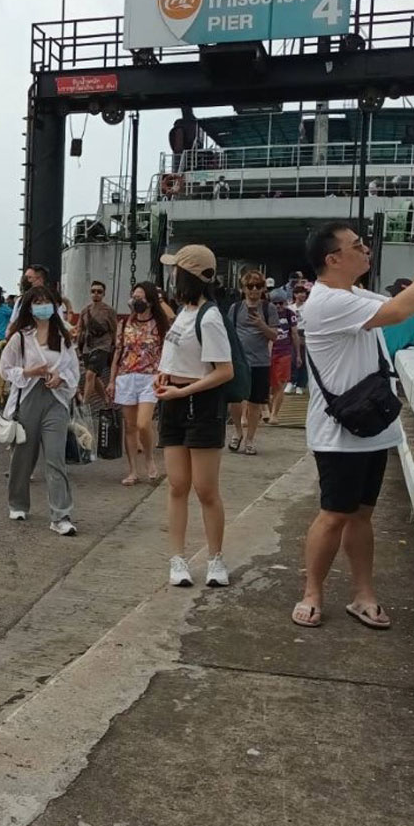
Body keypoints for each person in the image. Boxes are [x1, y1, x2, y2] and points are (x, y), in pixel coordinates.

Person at [291, 221, 414, 630]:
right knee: (333, 514)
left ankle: (363, 594)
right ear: (333, 259)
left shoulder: (354, 295)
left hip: (372, 425)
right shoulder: (326, 301)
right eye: (358, 246)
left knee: (363, 515)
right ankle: (313, 591)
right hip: (339, 431)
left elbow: (403, 305)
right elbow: (399, 310)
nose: (367, 251)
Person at [155, 246, 235, 587]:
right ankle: (178, 559)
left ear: (187, 275)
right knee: (177, 486)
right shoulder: (183, 312)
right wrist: (162, 376)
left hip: (198, 405)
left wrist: (182, 391)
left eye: (175, 270)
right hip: (172, 401)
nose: (171, 275)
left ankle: (215, 558)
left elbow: (224, 371)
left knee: (205, 489)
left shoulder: (210, 316)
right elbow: (175, 355)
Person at [1, 285, 82, 534]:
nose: (43, 306)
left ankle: (60, 515)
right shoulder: (20, 337)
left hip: (56, 400)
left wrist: (62, 377)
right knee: (23, 454)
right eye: (37, 301)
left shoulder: (63, 336)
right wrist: (28, 372)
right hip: (28, 396)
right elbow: (5, 369)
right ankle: (18, 502)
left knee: (55, 457)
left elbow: (74, 369)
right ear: (29, 306)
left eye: (47, 301)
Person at [107, 281, 169, 485]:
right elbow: (118, 351)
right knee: (130, 426)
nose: (136, 301)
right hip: (126, 376)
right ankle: (133, 469)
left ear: (150, 300)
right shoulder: (125, 324)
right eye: (134, 297)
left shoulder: (160, 324)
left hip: (150, 376)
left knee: (144, 423)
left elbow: (169, 344)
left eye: (140, 297)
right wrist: (112, 380)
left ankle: (150, 458)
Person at [227, 270, 279, 455]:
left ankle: (250, 439)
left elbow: (274, 335)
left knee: (256, 402)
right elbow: (229, 334)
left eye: (258, 286)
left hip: (260, 362)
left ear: (263, 288)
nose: (254, 290)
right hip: (240, 362)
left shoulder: (269, 309)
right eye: (250, 286)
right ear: (243, 289)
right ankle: (238, 432)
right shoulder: (235, 309)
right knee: (235, 400)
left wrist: (261, 324)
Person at [266, 290, 302, 423]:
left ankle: (274, 413)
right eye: (275, 303)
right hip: (268, 352)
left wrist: (298, 354)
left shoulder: (289, 314)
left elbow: (294, 334)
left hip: (284, 352)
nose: (278, 306)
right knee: (268, 385)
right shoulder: (266, 314)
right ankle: (268, 410)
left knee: (280, 384)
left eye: (281, 303)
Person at [75, 280, 118, 388]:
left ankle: (85, 403)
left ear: (103, 294)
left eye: (99, 292)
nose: (96, 294)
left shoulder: (109, 311)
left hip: (103, 346)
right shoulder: (85, 311)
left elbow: (114, 329)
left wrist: (115, 346)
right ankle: (106, 400)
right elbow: (80, 328)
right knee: (95, 377)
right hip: (88, 346)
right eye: (93, 291)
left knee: (90, 375)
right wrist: (77, 345)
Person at [286, 281, 311, 394]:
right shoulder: (289, 307)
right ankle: (291, 381)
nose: (302, 295)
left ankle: (301, 384)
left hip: (304, 333)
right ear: (295, 294)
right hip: (292, 332)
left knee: (303, 359)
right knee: (292, 358)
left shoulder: (309, 306)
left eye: (304, 293)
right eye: (299, 293)